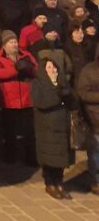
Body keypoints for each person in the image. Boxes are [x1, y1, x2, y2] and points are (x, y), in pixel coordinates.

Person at [0, 30, 38, 165]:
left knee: (30, 132)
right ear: (4, 45)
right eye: (11, 42)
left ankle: (31, 157)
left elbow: (36, 69)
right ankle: (10, 156)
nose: (14, 44)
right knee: (10, 132)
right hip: (9, 101)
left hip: (27, 99)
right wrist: (16, 69)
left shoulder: (26, 54)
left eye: (15, 41)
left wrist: (29, 69)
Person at [31, 53, 74, 199]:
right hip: (46, 127)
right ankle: (50, 183)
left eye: (54, 67)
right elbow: (42, 103)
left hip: (62, 126)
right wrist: (58, 93)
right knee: (49, 157)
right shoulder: (38, 83)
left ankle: (59, 182)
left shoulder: (62, 82)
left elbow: (73, 103)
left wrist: (65, 93)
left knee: (61, 156)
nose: (53, 70)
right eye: (49, 67)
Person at [76, 46, 99, 195]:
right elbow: (82, 93)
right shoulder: (89, 70)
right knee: (96, 153)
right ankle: (96, 181)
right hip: (95, 118)